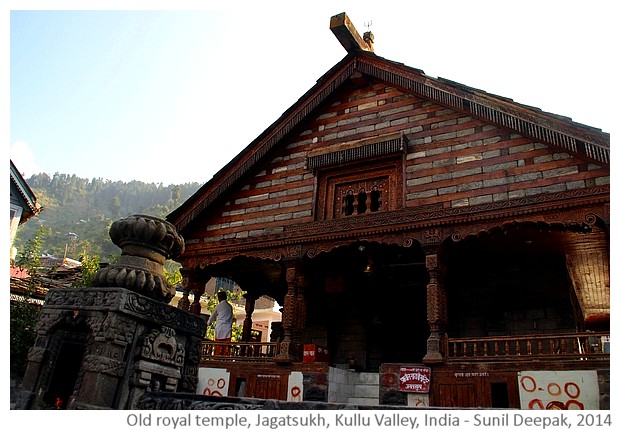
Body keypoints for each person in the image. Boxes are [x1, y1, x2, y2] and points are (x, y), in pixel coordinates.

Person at [207, 290, 233, 355]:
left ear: (219, 298)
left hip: (220, 329)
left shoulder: (219, 306)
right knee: (226, 348)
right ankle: (224, 361)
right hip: (228, 329)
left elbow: (212, 317)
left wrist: (208, 323)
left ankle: (216, 360)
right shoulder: (229, 307)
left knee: (218, 347)